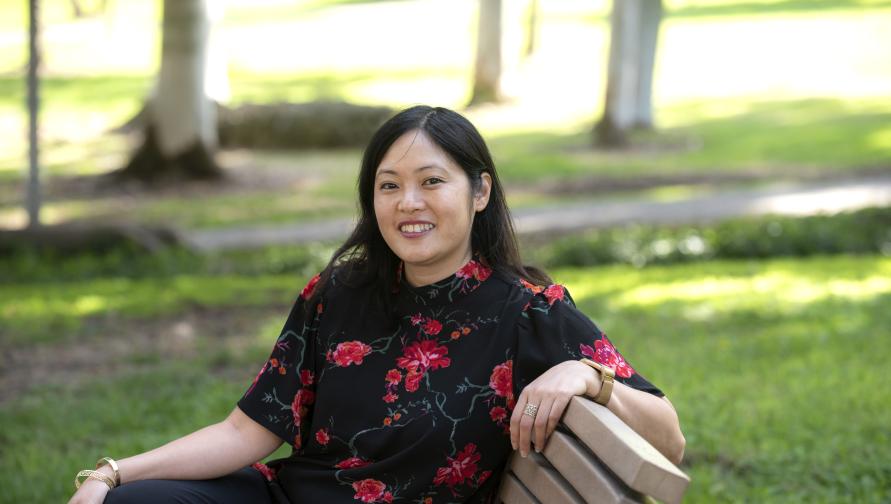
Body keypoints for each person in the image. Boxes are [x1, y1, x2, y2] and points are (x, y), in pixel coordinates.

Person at [68, 106, 684, 504]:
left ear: (480, 191)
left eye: (431, 181)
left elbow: (670, 440)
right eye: (389, 186)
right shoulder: (337, 293)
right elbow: (244, 431)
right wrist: (113, 474)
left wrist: (589, 375)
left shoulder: (529, 312)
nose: (408, 202)